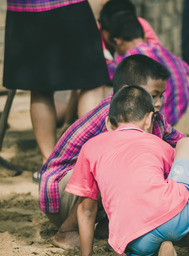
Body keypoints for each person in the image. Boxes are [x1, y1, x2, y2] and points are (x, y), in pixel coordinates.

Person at [39, 54, 189, 250]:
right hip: (63, 190)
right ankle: (67, 232)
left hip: (88, 197)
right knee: (122, 168)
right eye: (153, 95)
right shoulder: (111, 116)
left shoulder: (154, 118)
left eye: (161, 95)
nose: (158, 103)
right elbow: (102, 166)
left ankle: (108, 228)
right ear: (128, 91)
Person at [68, 85, 189, 256]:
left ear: (108, 122)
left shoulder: (90, 147)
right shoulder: (158, 144)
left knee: (140, 255)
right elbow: (177, 174)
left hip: (134, 238)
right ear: (149, 119)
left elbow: (87, 210)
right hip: (176, 218)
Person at [3, 0, 110, 170]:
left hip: (25, 11)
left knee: (39, 89)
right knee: (92, 82)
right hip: (69, 6)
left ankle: (50, 165)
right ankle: (87, 161)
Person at [104, 12, 189, 126]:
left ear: (118, 42)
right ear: (143, 34)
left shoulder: (128, 61)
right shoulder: (165, 52)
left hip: (157, 121)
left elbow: (105, 76)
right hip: (182, 115)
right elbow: (188, 71)